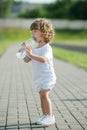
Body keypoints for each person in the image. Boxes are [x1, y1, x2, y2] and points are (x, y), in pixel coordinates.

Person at [23, 18, 56, 125]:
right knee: (41, 96)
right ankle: (45, 115)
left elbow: (43, 59)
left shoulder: (47, 47)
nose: (32, 33)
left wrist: (31, 54)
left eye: (35, 31)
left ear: (44, 33)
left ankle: (50, 116)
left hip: (47, 76)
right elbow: (26, 60)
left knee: (44, 94)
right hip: (38, 77)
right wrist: (25, 51)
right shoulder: (34, 48)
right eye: (32, 31)